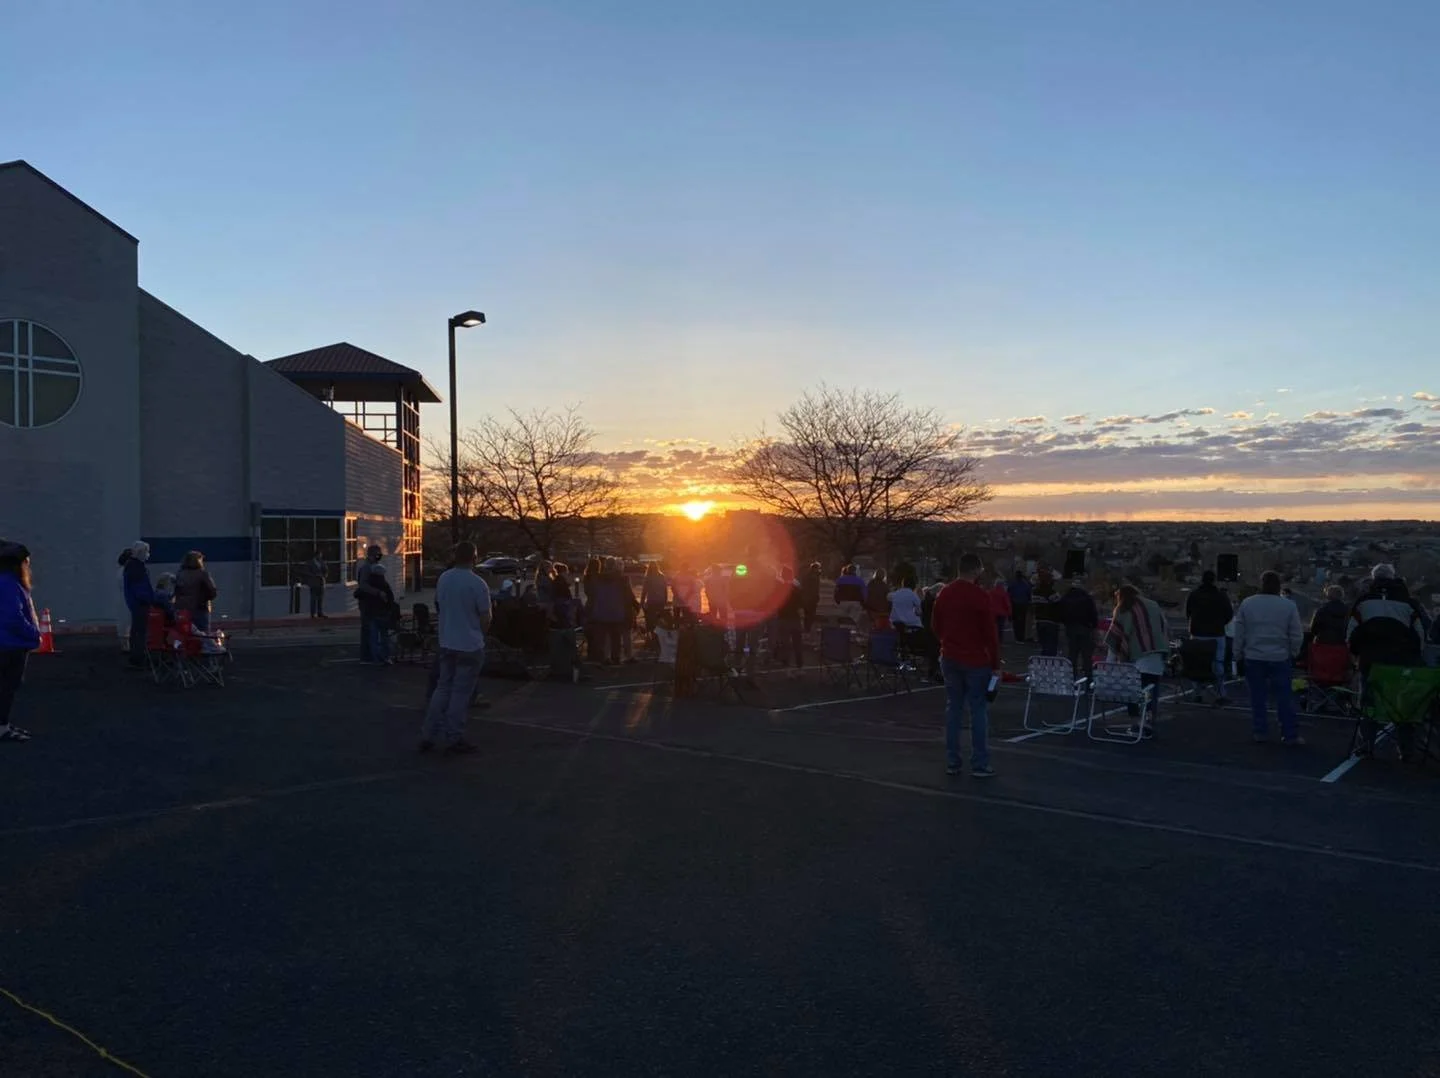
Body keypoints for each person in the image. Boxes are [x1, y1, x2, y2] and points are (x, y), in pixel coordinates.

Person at [930, 553, 1000, 778]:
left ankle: (953, 761)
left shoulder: (945, 593)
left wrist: (947, 642)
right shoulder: (980, 596)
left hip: (950, 656)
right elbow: (991, 634)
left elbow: (935, 625)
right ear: (977, 570)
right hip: (975, 660)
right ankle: (979, 763)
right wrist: (995, 663)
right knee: (978, 710)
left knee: (954, 709)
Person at [420, 541, 493, 755]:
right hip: (469, 644)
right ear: (474, 557)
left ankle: (428, 733)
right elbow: (485, 616)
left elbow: (439, 605)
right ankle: (454, 736)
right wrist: (481, 634)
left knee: (442, 689)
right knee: (461, 693)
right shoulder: (478, 584)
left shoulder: (444, 578)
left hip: (447, 641)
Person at [1348, 564, 1427, 759]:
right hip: (1403, 663)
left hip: (1370, 663)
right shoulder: (1409, 603)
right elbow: (1420, 635)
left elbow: (1351, 634)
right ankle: (1406, 750)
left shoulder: (1363, 602)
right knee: (1404, 707)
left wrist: (1356, 655)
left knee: (1369, 705)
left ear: (1373, 579)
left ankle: (1366, 746)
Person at [1233, 570, 1305, 744]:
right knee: (1284, 697)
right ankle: (1289, 734)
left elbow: (1239, 632)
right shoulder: (1288, 606)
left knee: (1258, 697)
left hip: (1254, 655)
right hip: (1280, 656)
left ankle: (1260, 731)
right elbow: (1296, 633)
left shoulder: (1248, 604)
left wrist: (1237, 654)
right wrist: (1293, 652)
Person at [1104, 584, 1169, 730]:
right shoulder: (1153, 605)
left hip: (1138, 660)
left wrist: (1108, 667)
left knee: (1132, 692)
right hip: (1157, 655)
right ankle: (1150, 720)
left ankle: (1136, 723)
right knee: (1151, 691)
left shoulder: (1124, 608)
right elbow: (1164, 628)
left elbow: (1115, 639)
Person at [0, 541, 41, 742]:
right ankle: (2, 727)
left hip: (8, 643)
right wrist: (34, 633)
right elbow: (13, 617)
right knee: (7, 687)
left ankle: (3, 724)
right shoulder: (9, 583)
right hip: (11, 644)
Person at [1185, 570, 1234, 694]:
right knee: (1218, 663)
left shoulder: (1194, 595)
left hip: (1197, 634)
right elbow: (1229, 614)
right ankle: (1220, 692)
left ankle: (1197, 692)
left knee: (1197, 663)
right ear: (1214, 580)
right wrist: (1220, 624)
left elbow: (1188, 613)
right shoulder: (1221, 596)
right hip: (1217, 634)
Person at [1058, 577, 1099, 685]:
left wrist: (1066, 622)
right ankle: (1089, 679)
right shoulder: (1086, 597)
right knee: (1087, 656)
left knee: (1072, 655)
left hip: (1071, 628)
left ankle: (1072, 678)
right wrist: (1094, 625)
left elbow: (1060, 613)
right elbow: (1093, 613)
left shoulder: (1066, 598)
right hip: (1085, 628)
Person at [122, 540, 156, 668]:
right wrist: (151, 599)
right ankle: (138, 657)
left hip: (135, 603)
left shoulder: (131, 566)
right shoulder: (137, 568)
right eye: (147, 552)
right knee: (140, 631)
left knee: (136, 630)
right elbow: (141, 589)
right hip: (140, 604)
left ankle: (136, 656)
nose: (148, 554)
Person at [354, 545, 387, 663]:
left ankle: (369, 654)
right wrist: (378, 592)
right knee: (367, 629)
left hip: (371, 603)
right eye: (377, 553)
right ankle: (366, 655)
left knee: (370, 629)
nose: (379, 556)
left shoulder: (373, 567)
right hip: (367, 603)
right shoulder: (366, 568)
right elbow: (363, 585)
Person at [174, 550, 218, 631]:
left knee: (185, 633)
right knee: (203, 635)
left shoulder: (180, 574)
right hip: (199, 608)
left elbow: (176, 591)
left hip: (182, 609)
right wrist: (205, 599)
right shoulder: (202, 574)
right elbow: (212, 591)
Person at [773, 566, 805, 668]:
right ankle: (799, 665)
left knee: (785, 644)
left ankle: (787, 666)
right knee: (797, 644)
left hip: (783, 619)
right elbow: (801, 605)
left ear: (782, 576)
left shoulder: (779, 589)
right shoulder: (797, 588)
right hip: (795, 618)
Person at [1032, 569, 1062, 656]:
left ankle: (1043, 664)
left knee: (1043, 645)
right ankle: (1051, 665)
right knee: (1051, 646)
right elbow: (1059, 605)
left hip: (1039, 621)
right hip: (1051, 621)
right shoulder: (1052, 592)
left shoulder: (1035, 592)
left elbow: (1034, 605)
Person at [641, 562, 669, 640]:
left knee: (650, 619)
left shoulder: (648, 577)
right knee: (659, 619)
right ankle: (659, 635)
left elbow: (644, 591)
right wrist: (665, 600)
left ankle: (652, 635)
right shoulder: (662, 576)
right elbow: (665, 590)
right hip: (661, 601)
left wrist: (642, 603)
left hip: (651, 601)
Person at [833, 564, 865, 630]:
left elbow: (835, 591)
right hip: (856, 602)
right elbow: (864, 593)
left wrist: (837, 601)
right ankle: (852, 632)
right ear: (855, 571)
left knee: (843, 619)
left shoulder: (840, 580)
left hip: (843, 602)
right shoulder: (860, 581)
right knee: (854, 620)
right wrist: (863, 603)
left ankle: (843, 632)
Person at [1007, 571, 1033, 643]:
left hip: (1015, 604)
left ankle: (1017, 637)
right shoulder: (1025, 584)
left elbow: (1009, 594)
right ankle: (1021, 637)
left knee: (1016, 622)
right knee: (1022, 621)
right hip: (1023, 604)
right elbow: (1029, 594)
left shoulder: (1012, 584)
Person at [799, 563, 822, 633]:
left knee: (807, 614)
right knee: (811, 614)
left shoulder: (806, 576)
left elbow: (802, 586)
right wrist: (817, 597)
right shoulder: (815, 577)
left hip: (806, 598)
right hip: (812, 598)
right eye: (818, 568)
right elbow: (815, 589)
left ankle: (806, 627)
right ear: (815, 568)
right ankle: (808, 628)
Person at [306, 550, 328, 618]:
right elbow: (307, 572)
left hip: (321, 582)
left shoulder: (322, 562)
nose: (320, 556)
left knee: (320, 598)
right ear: (316, 555)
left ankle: (320, 612)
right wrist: (315, 575)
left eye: (321, 555)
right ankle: (313, 613)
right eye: (319, 555)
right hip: (314, 583)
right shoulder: (310, 563)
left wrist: (324, 575)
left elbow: (326, 570)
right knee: (313, 598)